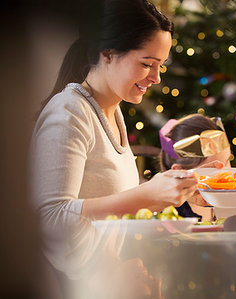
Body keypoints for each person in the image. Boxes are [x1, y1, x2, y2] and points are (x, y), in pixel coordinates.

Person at [30, 0, 199, 227]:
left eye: (161, 65)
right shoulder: (70, 112)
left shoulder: (111, 112)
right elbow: (51, 216)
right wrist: (148, 195)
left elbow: (108, 206)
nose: (157, 78)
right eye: (147, 64)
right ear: (108, 53)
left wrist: (164, 193)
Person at [159, 114, 232, 221]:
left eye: (227, 162)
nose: (227, 175)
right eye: (213, 169)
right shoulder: (169, 218)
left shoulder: (220, 205)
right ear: (179, 172)